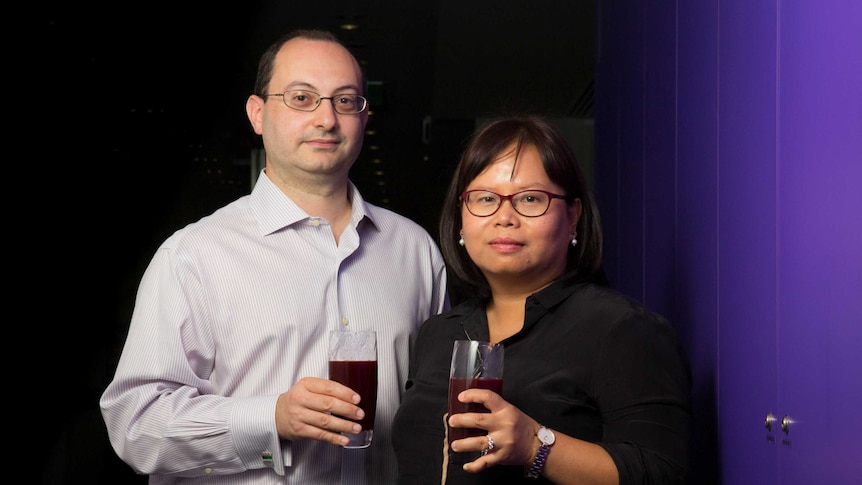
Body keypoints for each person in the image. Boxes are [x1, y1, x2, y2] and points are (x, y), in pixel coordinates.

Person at [100, 29, 449, 484]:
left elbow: (433, 413)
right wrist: (273, 418)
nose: (327, 118)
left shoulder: (416, 251)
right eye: (302, 98)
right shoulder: (193, 255)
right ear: (258, 113)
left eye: (345, 101)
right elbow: (136, 427)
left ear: (364, 118)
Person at [392, 116, 691, 484]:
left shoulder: (621, 329)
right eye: (485, 199)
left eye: (530, 199)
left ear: (573, 218)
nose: (504, 217)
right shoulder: (438, 334)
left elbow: (663, 471)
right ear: (460, 220)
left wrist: (536, 447)